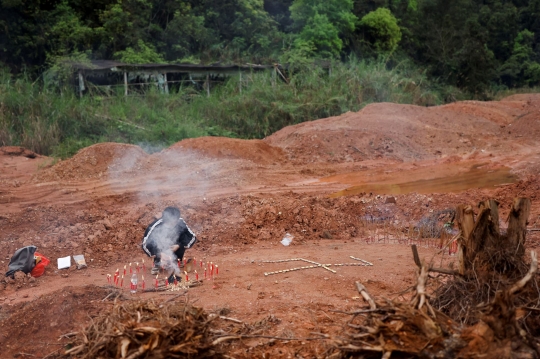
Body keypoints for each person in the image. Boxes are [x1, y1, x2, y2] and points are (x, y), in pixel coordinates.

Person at [142, 206, 197, 275]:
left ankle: (177, 261)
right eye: (170, 222)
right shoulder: (155, 226)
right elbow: (145, 244)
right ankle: (158, 263)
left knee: (183, 236)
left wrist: (179, 245)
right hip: (161, 250)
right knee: (155, 240)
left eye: (175, 222)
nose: (173, 224)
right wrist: (159, 253)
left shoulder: (181, 222)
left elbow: (192, 237)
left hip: (175, 248)